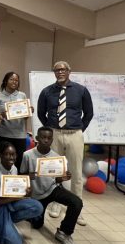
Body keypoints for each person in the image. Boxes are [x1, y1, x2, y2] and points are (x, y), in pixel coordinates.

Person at [37, 61, 92, 225]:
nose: (60, 72)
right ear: (54, 73)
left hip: (74, 134)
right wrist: (51, 129)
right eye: (57, 70)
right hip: (54, 134)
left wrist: (79, 128)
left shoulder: (81, 90)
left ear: (69, 71)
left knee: (76, 172)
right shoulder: (47, 91)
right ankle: (55, 203)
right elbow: (41, 113)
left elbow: (89, 113)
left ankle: (77, 208)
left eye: (63, 69)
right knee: (54, 170)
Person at [21, 127, 83, 244]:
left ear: (52, 140)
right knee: (37, 225)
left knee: (77, 202)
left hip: (52, 189)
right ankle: (31, 214)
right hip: (36, 195)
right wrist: (28, 176)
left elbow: (56, 179)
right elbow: (21, 176)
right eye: (43, 137)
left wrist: (63, 178)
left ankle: (64, 232)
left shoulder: (56, 157)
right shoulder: (27, 155)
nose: (46, 140)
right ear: (37, 138)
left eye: (49, 138)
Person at [0, 142, 43, 244]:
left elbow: (15, 191)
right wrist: (14, 198)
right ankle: (0, 225)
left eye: (13, 154)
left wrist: (26, 192)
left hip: (10, 203)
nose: (11, 157)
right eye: (7, 154)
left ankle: (7, 222)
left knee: (37, 207)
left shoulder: (14, 169)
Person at [0, 72, 30, 171]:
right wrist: (1, 116)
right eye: (11, 79)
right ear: (6, 81)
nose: (14, 82)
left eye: (16, 80)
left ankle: (17, 180)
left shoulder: (22, 95)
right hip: (3, 134)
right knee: (4, 163)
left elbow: (25, 117)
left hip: (19, 135)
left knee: (18, 162)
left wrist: (29, 112)